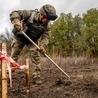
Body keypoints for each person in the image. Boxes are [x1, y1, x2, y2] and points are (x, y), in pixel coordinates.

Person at [10, 4, 58, 84]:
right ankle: (8, 75)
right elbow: (15, 13)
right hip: (20, 37)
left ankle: (37, 76)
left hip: (32, 40)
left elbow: (46, 37)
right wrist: (16, 21)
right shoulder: (30, 14)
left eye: (49, 20)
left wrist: (42, 46)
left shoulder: (46, 26)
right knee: (13, 56)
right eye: (47, 19)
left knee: (35, 55)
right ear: (41, 15)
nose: (47, 21)